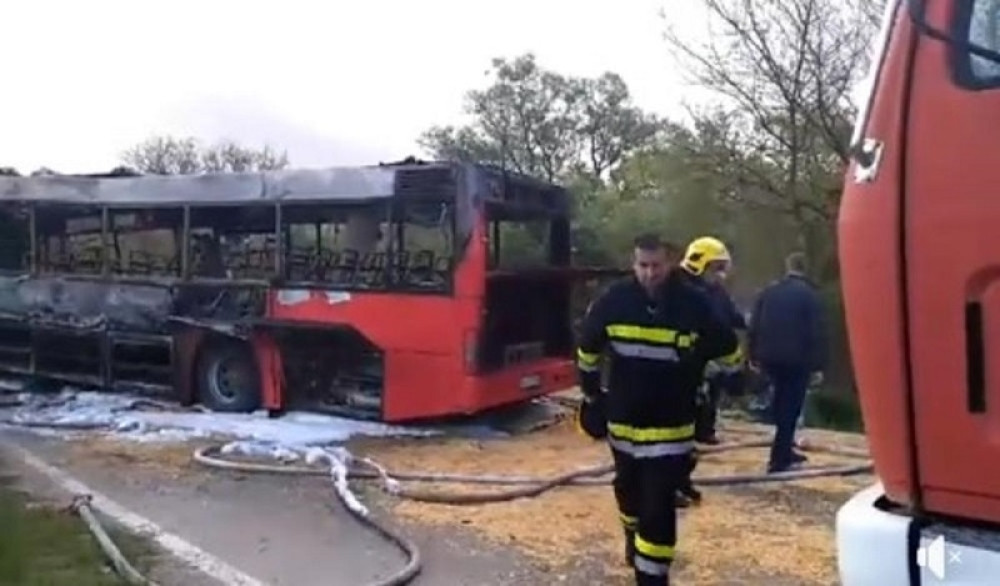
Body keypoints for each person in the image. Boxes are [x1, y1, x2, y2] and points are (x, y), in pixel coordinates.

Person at [575, 233, 738, 585]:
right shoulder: (613, 301)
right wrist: (592, 397)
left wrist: (729, 375)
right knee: (629, 496)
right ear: (634, 264)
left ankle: (651, 577)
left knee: (658, 510)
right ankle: (632, 540)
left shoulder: (694, 305)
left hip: (672, 430)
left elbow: (729, 349)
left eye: (656, 266)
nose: (649, 274)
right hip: (623, 427)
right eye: (642, 266)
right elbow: (587, 350)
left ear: (671, 263)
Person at [747, 251, 828, 474]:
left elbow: (754, 323)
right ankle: (779, 457)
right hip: (796, 360)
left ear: (787, 267)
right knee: (790, 407)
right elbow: (816, 332)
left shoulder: (769, 291)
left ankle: (784, 449)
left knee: (778, 402)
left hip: (769, 356)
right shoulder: (810, 296)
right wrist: (818, 365)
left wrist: (752, 354)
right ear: (805, 269)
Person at [677, 237, 748, 445]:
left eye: (722, 268)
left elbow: (730, 314)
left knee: (711, 392)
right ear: (700, 265)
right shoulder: (680, 289)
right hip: (688, 353)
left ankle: (704, 430)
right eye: (716, 268)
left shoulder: (716, 290)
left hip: (712, 352)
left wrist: (744, 323)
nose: (720, 275)